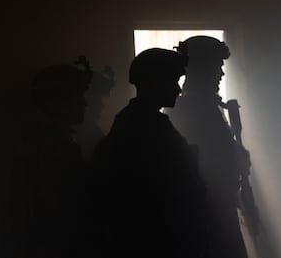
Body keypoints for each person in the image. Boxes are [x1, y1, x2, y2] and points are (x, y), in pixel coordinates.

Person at [90, 48, 209, 258]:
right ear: (154, 82)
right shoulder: (141, 125)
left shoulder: (145, 121)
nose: (178, 90)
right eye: (172, 80)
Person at [166, 36, 249, 258]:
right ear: (201, 69)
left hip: (216, 210)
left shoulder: (204, 105)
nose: (221, 74)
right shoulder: (187, 109)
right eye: (216, 67)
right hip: (206, 216)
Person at [16, 57, 97, 258]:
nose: (85, 103)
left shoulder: (47, 141)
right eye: (78, 96)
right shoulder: (52, 147)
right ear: (58, 102)